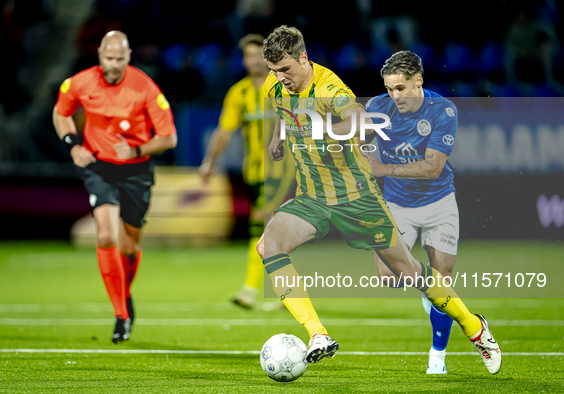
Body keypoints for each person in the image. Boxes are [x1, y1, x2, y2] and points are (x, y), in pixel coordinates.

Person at [257, 25, 501, 374]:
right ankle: (318, 335)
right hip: (313, 195)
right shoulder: (275, 86)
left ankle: (474, 326)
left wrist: (322, 129)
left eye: (285, 70)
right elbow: (287, 112)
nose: (280, 78)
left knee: (405, 272)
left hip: (357, 196)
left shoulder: (331, 89)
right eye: (274, 71)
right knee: (269, 246)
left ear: (303, 58)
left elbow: (356, 120)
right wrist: (280, 136)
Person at [52, 31, 177, 343]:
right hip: (99, 167)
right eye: (109, 58)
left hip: (136, 170)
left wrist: (135, 151)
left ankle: (124, 294)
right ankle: (121, 314)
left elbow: (169, 138)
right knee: (106, 234)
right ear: (99, 54)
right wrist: (72, 144)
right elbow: (61, 113)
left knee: (130, 246)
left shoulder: (145, 87)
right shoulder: (79, 83)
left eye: (120, 59)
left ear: (129, 56)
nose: (114, 65)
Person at [363, 50, 459, 374]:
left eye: (400, 88)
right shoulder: (377, 107)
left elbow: (433, 168)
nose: (395, 96)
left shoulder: (443, 110)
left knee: (442, 279)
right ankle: (427, 286)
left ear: (418, 81)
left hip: (439, 201)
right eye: (389, 88)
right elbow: (357, 141)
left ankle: (437, 356)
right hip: (397, 204)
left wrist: (381, 167)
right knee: (389, 278)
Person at [199, 34, 279, 310]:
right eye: (249, 55)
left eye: (259, 55)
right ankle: (287, 291)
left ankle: (250, 290)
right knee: (276, 231)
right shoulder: (239, 93)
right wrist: (209, 161)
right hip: (254, 173)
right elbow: (224, 131)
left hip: (286, 173)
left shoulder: (284, 87)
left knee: (261, 225)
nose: (254, 60)